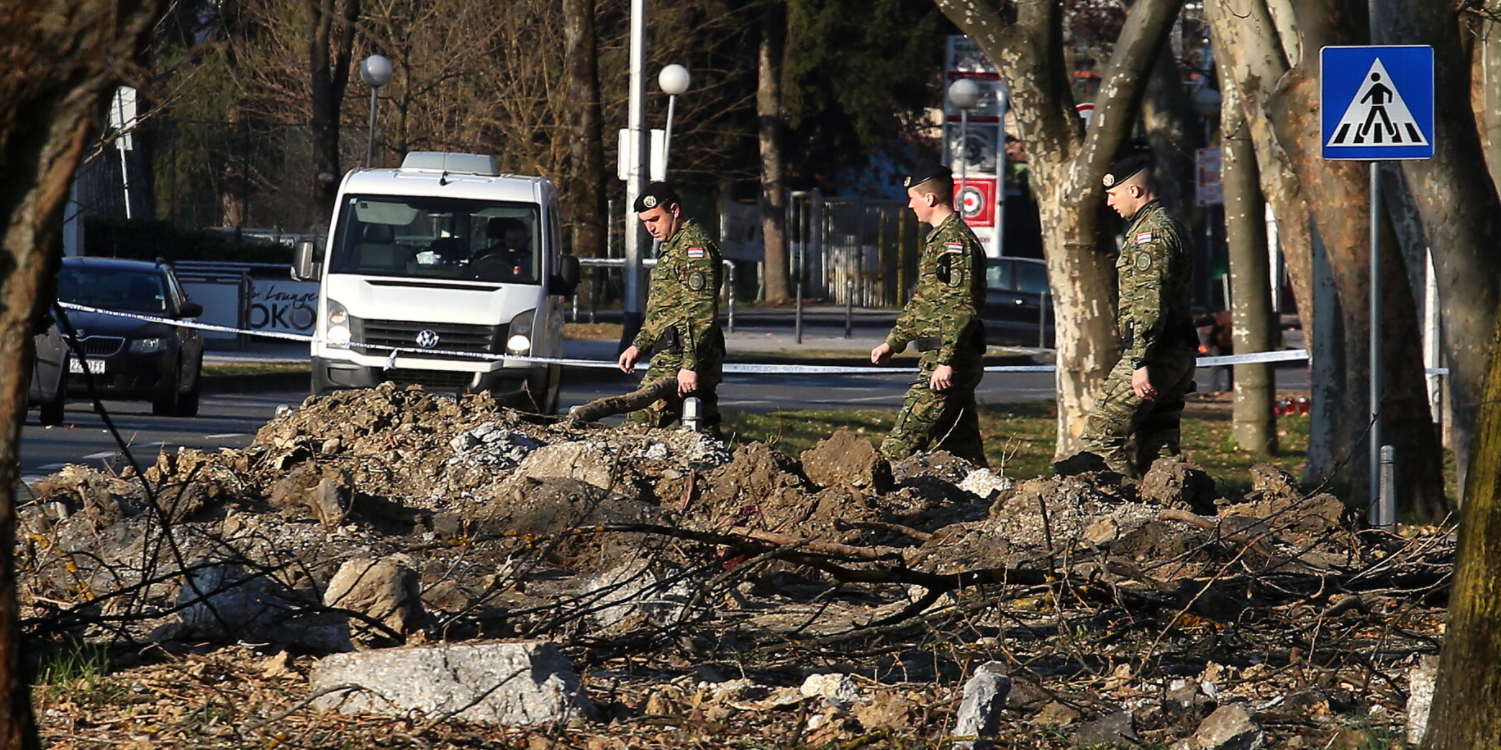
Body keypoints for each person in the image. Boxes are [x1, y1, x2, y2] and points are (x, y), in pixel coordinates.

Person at [1080, 155, 1199, 477]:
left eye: (1113, 194)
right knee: (1159, 442)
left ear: (1134, 191)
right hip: (1175, 349)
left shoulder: (1151, 234)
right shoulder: (1166, 224)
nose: (1108, 202)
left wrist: (1137, 361)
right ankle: (1170, 505)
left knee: (1099, 439)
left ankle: (1122, 505)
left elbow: (1148, 302)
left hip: (1155, 354)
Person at [870, 163, 988, 466]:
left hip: (947, 364)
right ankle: (989, 500)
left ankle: (867, 498)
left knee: (899, 447)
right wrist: (893, 343)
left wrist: (945, 361)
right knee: (964, 452)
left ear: (931, 199)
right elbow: (925, 302)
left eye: (913, 198)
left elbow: (962, 307)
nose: (910, 205)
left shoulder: (955, 243)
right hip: (944, 358)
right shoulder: (938, 241)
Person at [616, 182, 725, 434]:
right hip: (683, 351)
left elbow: (701, 312)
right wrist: (639, 344)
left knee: (637, 429)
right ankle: (722, 470)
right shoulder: (674, 245)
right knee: (704, 430)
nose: (650, 227)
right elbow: (665, 308)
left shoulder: (693, 249)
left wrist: (690, 365)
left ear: (675, 210)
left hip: (680, 355)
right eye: (645, 222)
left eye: (655, 219)